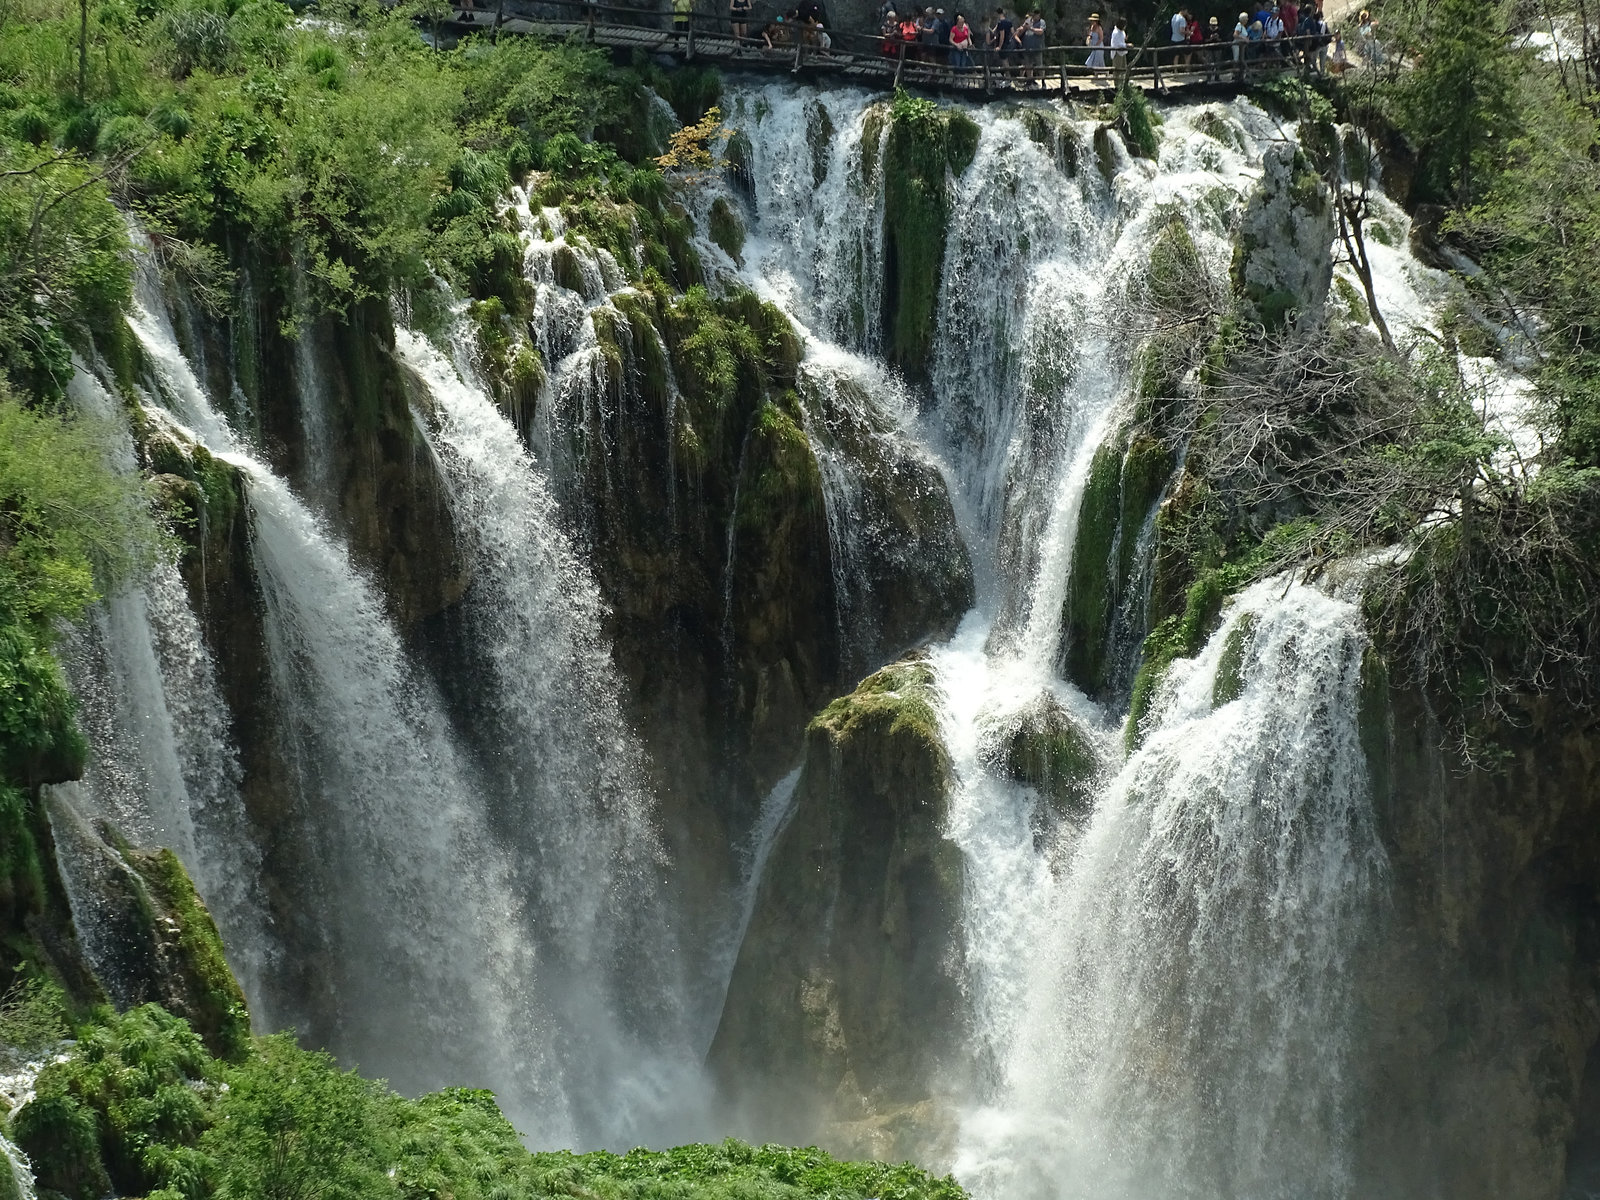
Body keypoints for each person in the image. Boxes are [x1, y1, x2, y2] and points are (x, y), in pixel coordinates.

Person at [1021, 9, 1045, 79]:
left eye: (1037, 14)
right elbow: (1022, 30)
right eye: (1034, 14)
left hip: (1037, 48)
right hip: (1027, 48)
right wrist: (1024, 26)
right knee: (1028, 65)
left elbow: (1041, 31)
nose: (1035, 16)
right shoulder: (1028, 21)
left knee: (1039, 66)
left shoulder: (1042, 22)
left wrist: (1031, 28)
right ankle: (1029, 81)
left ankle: (1043, 82)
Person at [1109, 15, 1129, 82]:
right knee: (1117, 70)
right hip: (1117, 53)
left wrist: (1125, 40)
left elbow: (1122, 40)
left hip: (1123, 52)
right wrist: (1126, 45)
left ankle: (1123, 83)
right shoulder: (1115, 33)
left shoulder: (1122, 32)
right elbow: (1117, 44)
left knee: (1123, 69)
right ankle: (1117, 85)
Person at [1232, 9, 1249, 74]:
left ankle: (1240, 73)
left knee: (1241, 59)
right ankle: (1234, 74)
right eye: (1246, 18)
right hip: (1237, 45)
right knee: (1236, 59)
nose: (1247, 19)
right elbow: (1235, 35)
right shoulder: (1239, 25)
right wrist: (1244, 38)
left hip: (1242, 47)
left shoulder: (1243, 27)